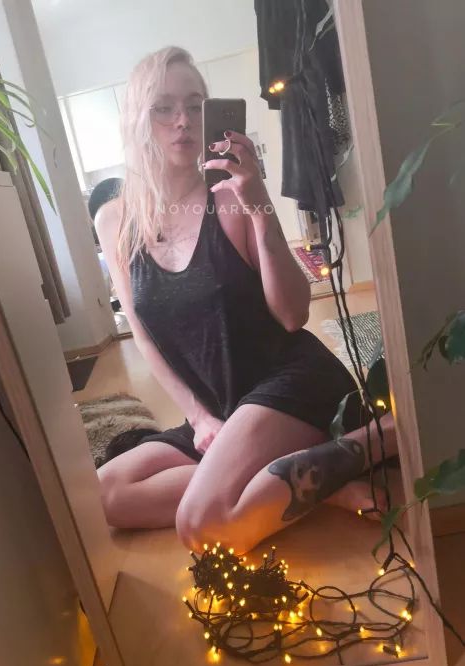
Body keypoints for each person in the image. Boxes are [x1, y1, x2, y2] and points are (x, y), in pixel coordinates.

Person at [96, 46, 397, 555]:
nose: (183, 121)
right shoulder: (115, 221)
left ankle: (376, 438)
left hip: (286, 383)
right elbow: (144, 338)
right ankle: (315, 484)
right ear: (136, 119)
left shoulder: (233, 197)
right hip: (218, 406)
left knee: (204, 525)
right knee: (109, 494)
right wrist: (199, 417)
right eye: (163, 107)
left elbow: (293, 315)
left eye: (195, 105)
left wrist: (260, 209)